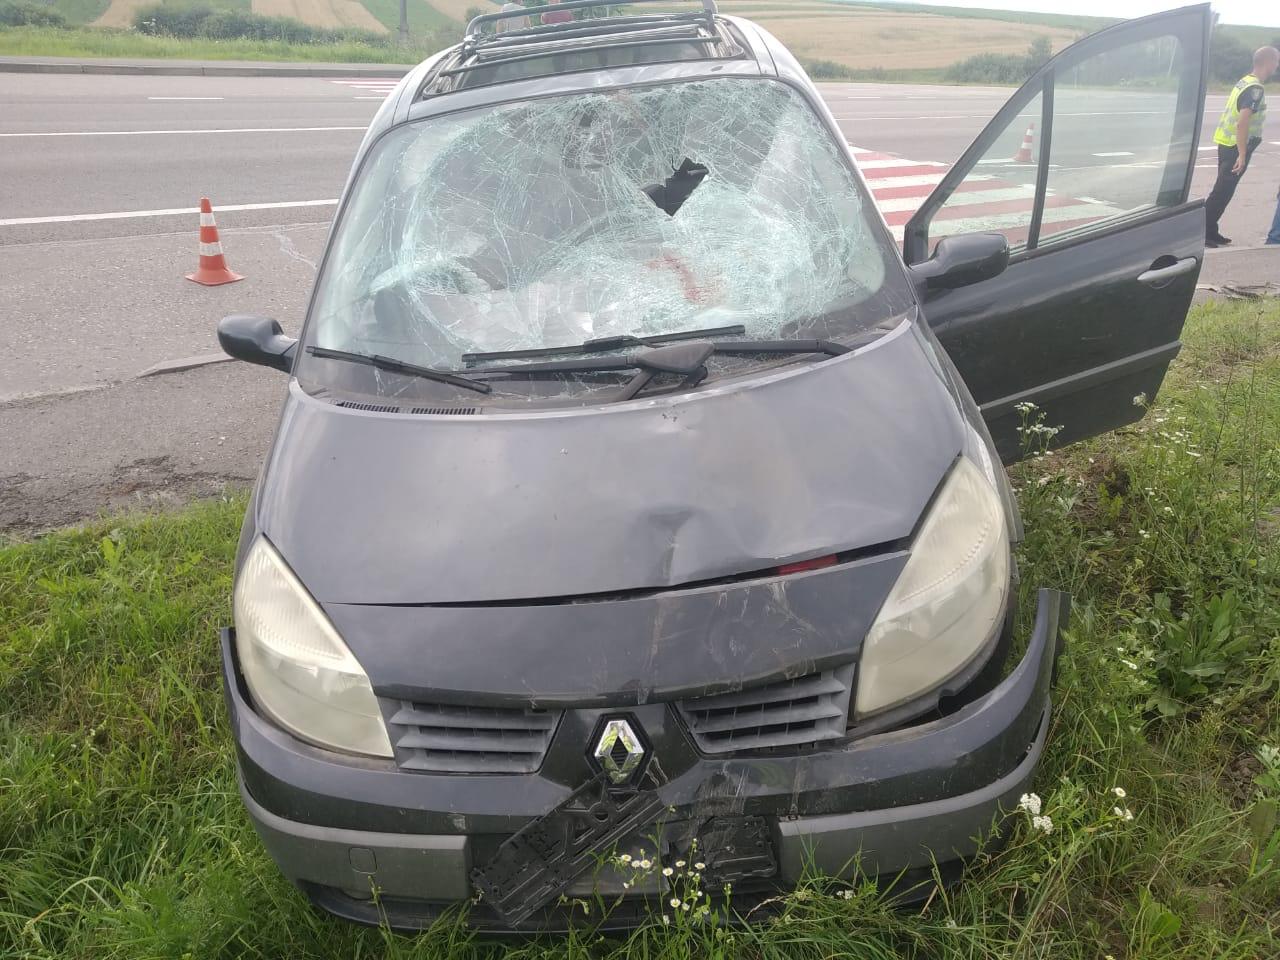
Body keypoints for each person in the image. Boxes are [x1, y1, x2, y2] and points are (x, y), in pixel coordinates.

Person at [1204, 46, 1279, 248]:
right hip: (1235, 147)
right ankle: (1202, 232)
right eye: (1277, 61)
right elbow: (1242, 122)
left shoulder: (1244, 81)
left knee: (1223, 191)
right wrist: (1242, 154)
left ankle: (1210, 229)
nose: (1277, 65)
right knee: (1222, 192)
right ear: (1269, 62)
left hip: (1227, 143)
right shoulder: (1255, 89)